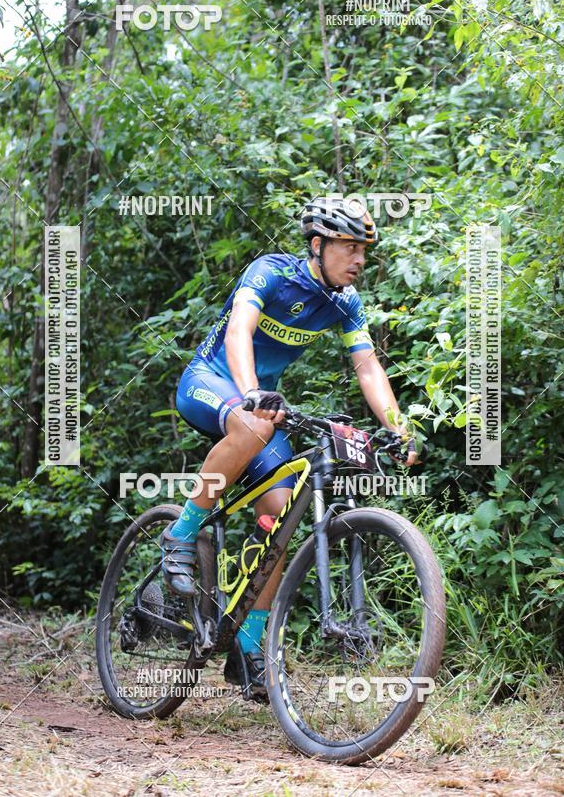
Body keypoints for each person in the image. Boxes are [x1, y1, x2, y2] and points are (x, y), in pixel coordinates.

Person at [162, 195, 417, 693]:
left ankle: (247, 648)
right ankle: (182, 533)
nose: (360, 259)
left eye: (364, 250)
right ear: (318, 245)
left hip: (261, 405)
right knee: (254, 428)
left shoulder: (345, 302)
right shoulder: (272, 273)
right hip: (211, 381)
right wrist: (251, 392)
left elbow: (367, 367)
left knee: (280, 517)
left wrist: (400, 427)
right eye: (349, 247)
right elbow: (239, 330)